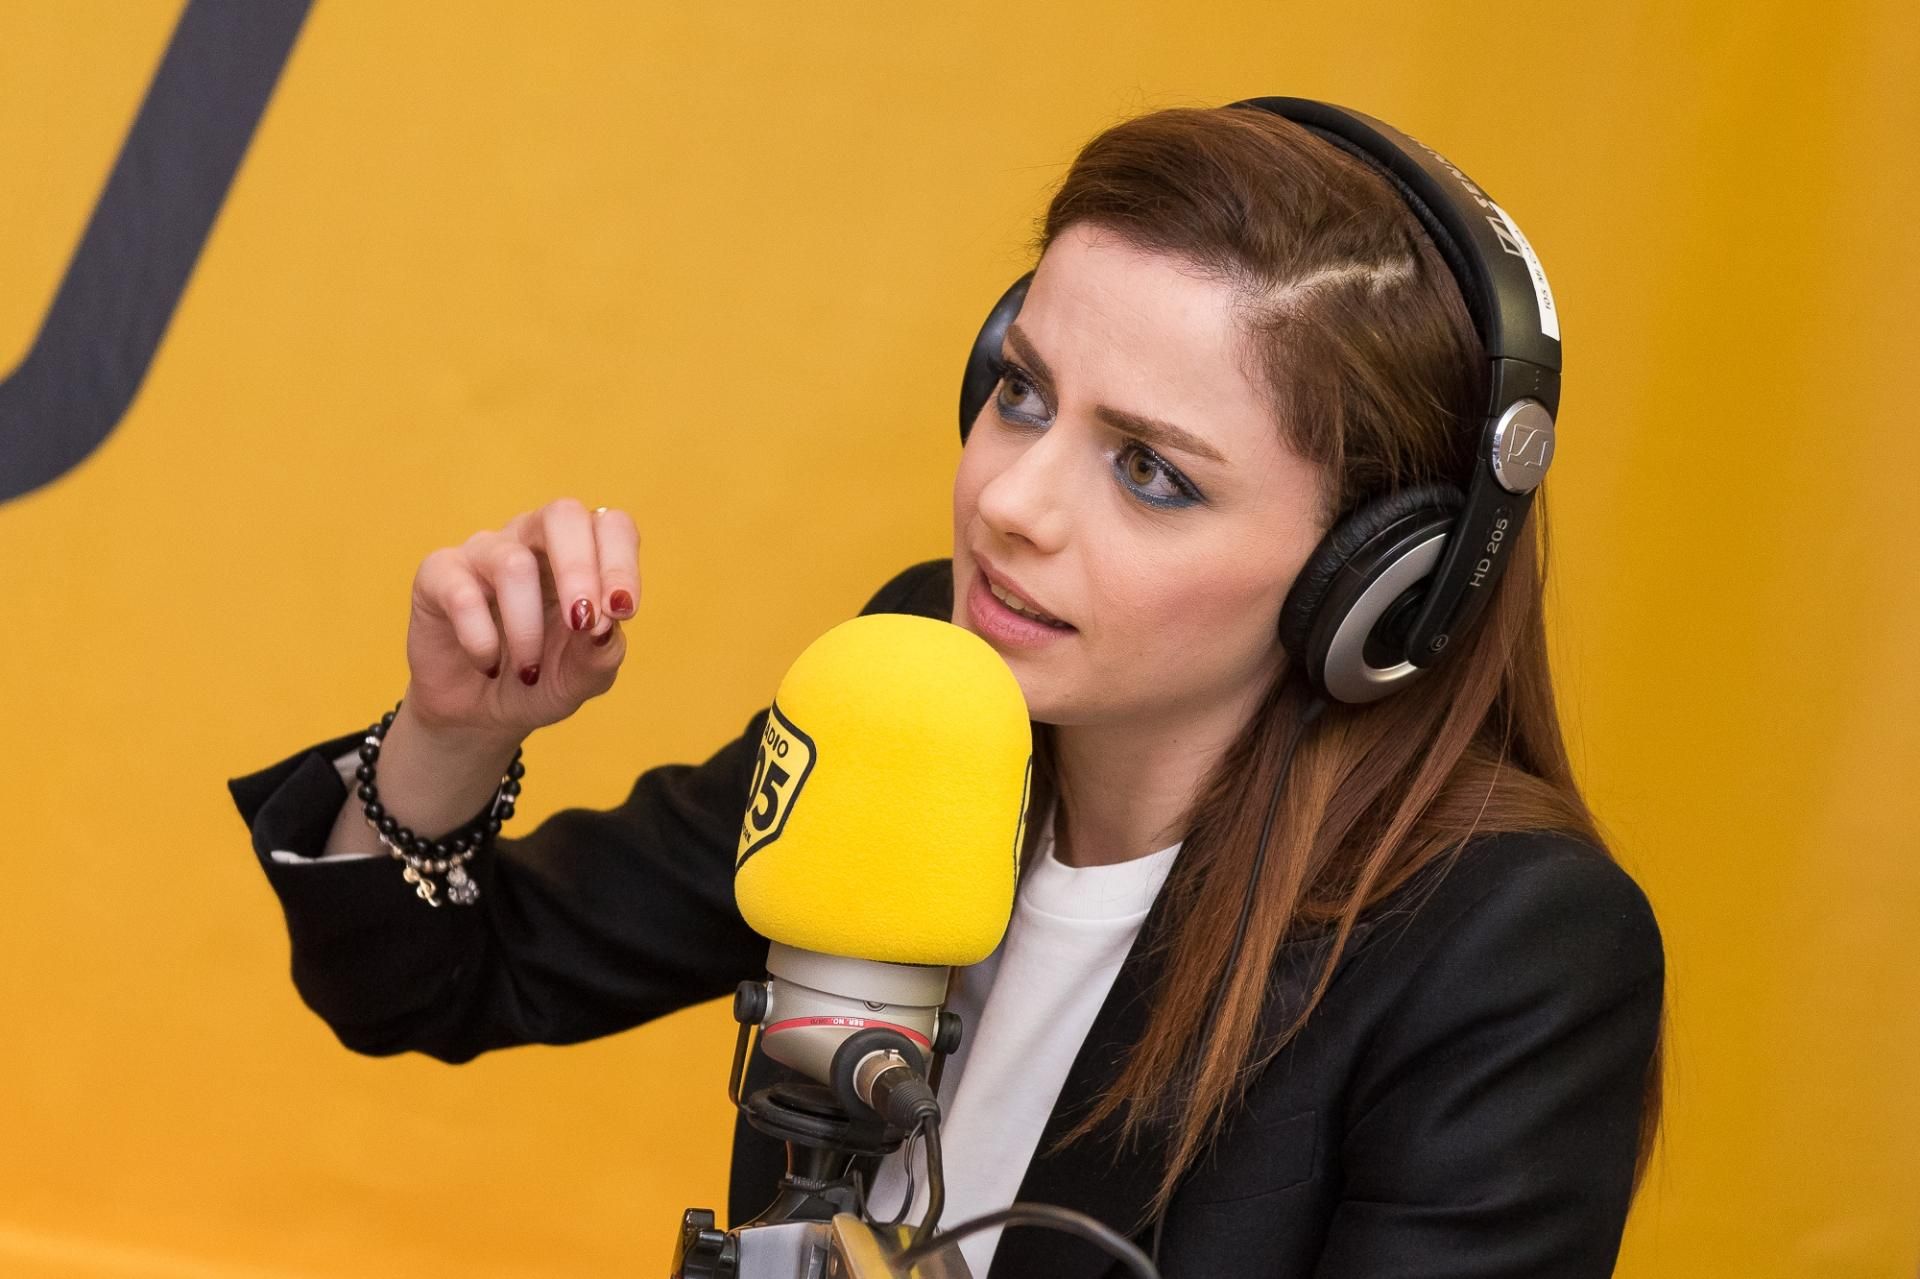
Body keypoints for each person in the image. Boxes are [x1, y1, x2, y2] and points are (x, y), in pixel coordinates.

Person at [229, 101, 1664, 1278]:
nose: (1009, 503)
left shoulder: (1505, 951)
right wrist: (458, 733)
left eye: (1150, 472)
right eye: (1022, 393)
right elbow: (431, 981)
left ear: (1379, 580)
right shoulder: (918, 696)